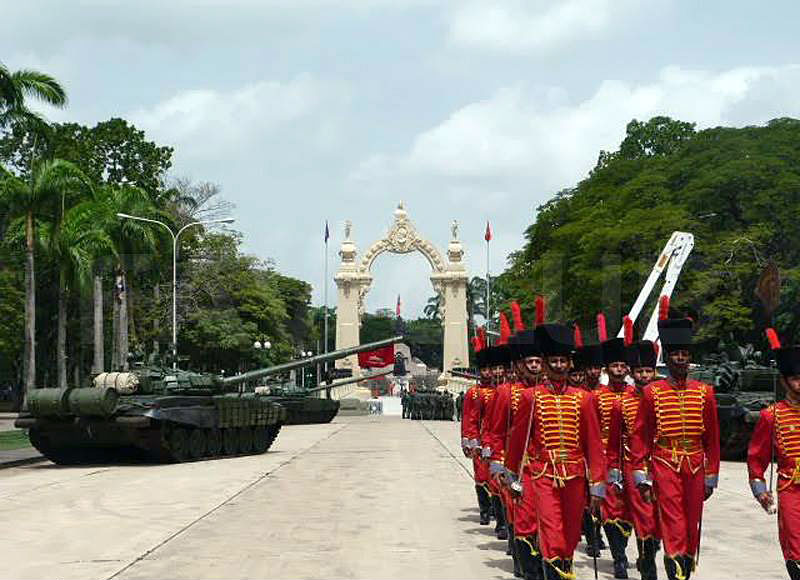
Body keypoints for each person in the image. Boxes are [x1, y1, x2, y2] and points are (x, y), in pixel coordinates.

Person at [506, 323, 607, 580]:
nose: (559, 366)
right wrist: (511, 477)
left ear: (570, 363)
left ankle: (564, 568)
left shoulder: (584, 398)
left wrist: (597, 483)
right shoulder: (531, 397)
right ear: (546, 364)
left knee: (571, 534)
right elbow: (517, 440)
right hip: (542, 475)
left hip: (575, 476)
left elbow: (594, 444)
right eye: (554, 361)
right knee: (551, 531)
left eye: (563, 361)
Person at [630, 300, 720, 580]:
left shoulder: (704, 392)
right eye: (675, 354)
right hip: (664, 464)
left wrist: (711, 474)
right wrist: (641, 476)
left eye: (684, 354)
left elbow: (713, 439)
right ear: (666, 360)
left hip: (695, 466)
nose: (680, 358)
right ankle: (675, 573)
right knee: (673, 523)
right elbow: (640, 437)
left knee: (691, 524)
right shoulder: (652, 393)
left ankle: (684, 569)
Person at [748, 329, 800, 580]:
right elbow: (756, 458)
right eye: (796, 378)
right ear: (784, 382)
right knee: (795, 550)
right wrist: (760, 491)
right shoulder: (772, 415)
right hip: (791, 488)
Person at [608, 339, 660, 580]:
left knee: (660, 520)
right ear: (632, 373)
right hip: (633, 466)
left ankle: (648, 554)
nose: (644, 375)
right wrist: (613, 471)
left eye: (648, 370)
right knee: (644, 519)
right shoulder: (621, 404)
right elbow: (614, 442)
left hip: (664, 466)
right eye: (639, 371)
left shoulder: (666, 399)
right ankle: (647, 566)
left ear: (655, 372)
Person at [595, 330, 634, 579]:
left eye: (622, 365)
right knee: (611, 510)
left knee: (631, 510)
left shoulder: (636, 395)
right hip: (605, 459)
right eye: (614, 366)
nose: (619, 370)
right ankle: (619, 557)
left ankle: (628, 548)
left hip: (632, 459)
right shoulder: (596, 397)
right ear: (607, 370)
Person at [462, 328, 494, 525]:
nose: (488, 373)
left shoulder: (501, 391)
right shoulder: (473, 393)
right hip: (480, 440)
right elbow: (469, 418)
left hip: (498, 441)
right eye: (484, 370)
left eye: (490, 369)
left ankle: (497, 510)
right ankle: (485, 509)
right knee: (482, 476)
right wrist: (469, 441)